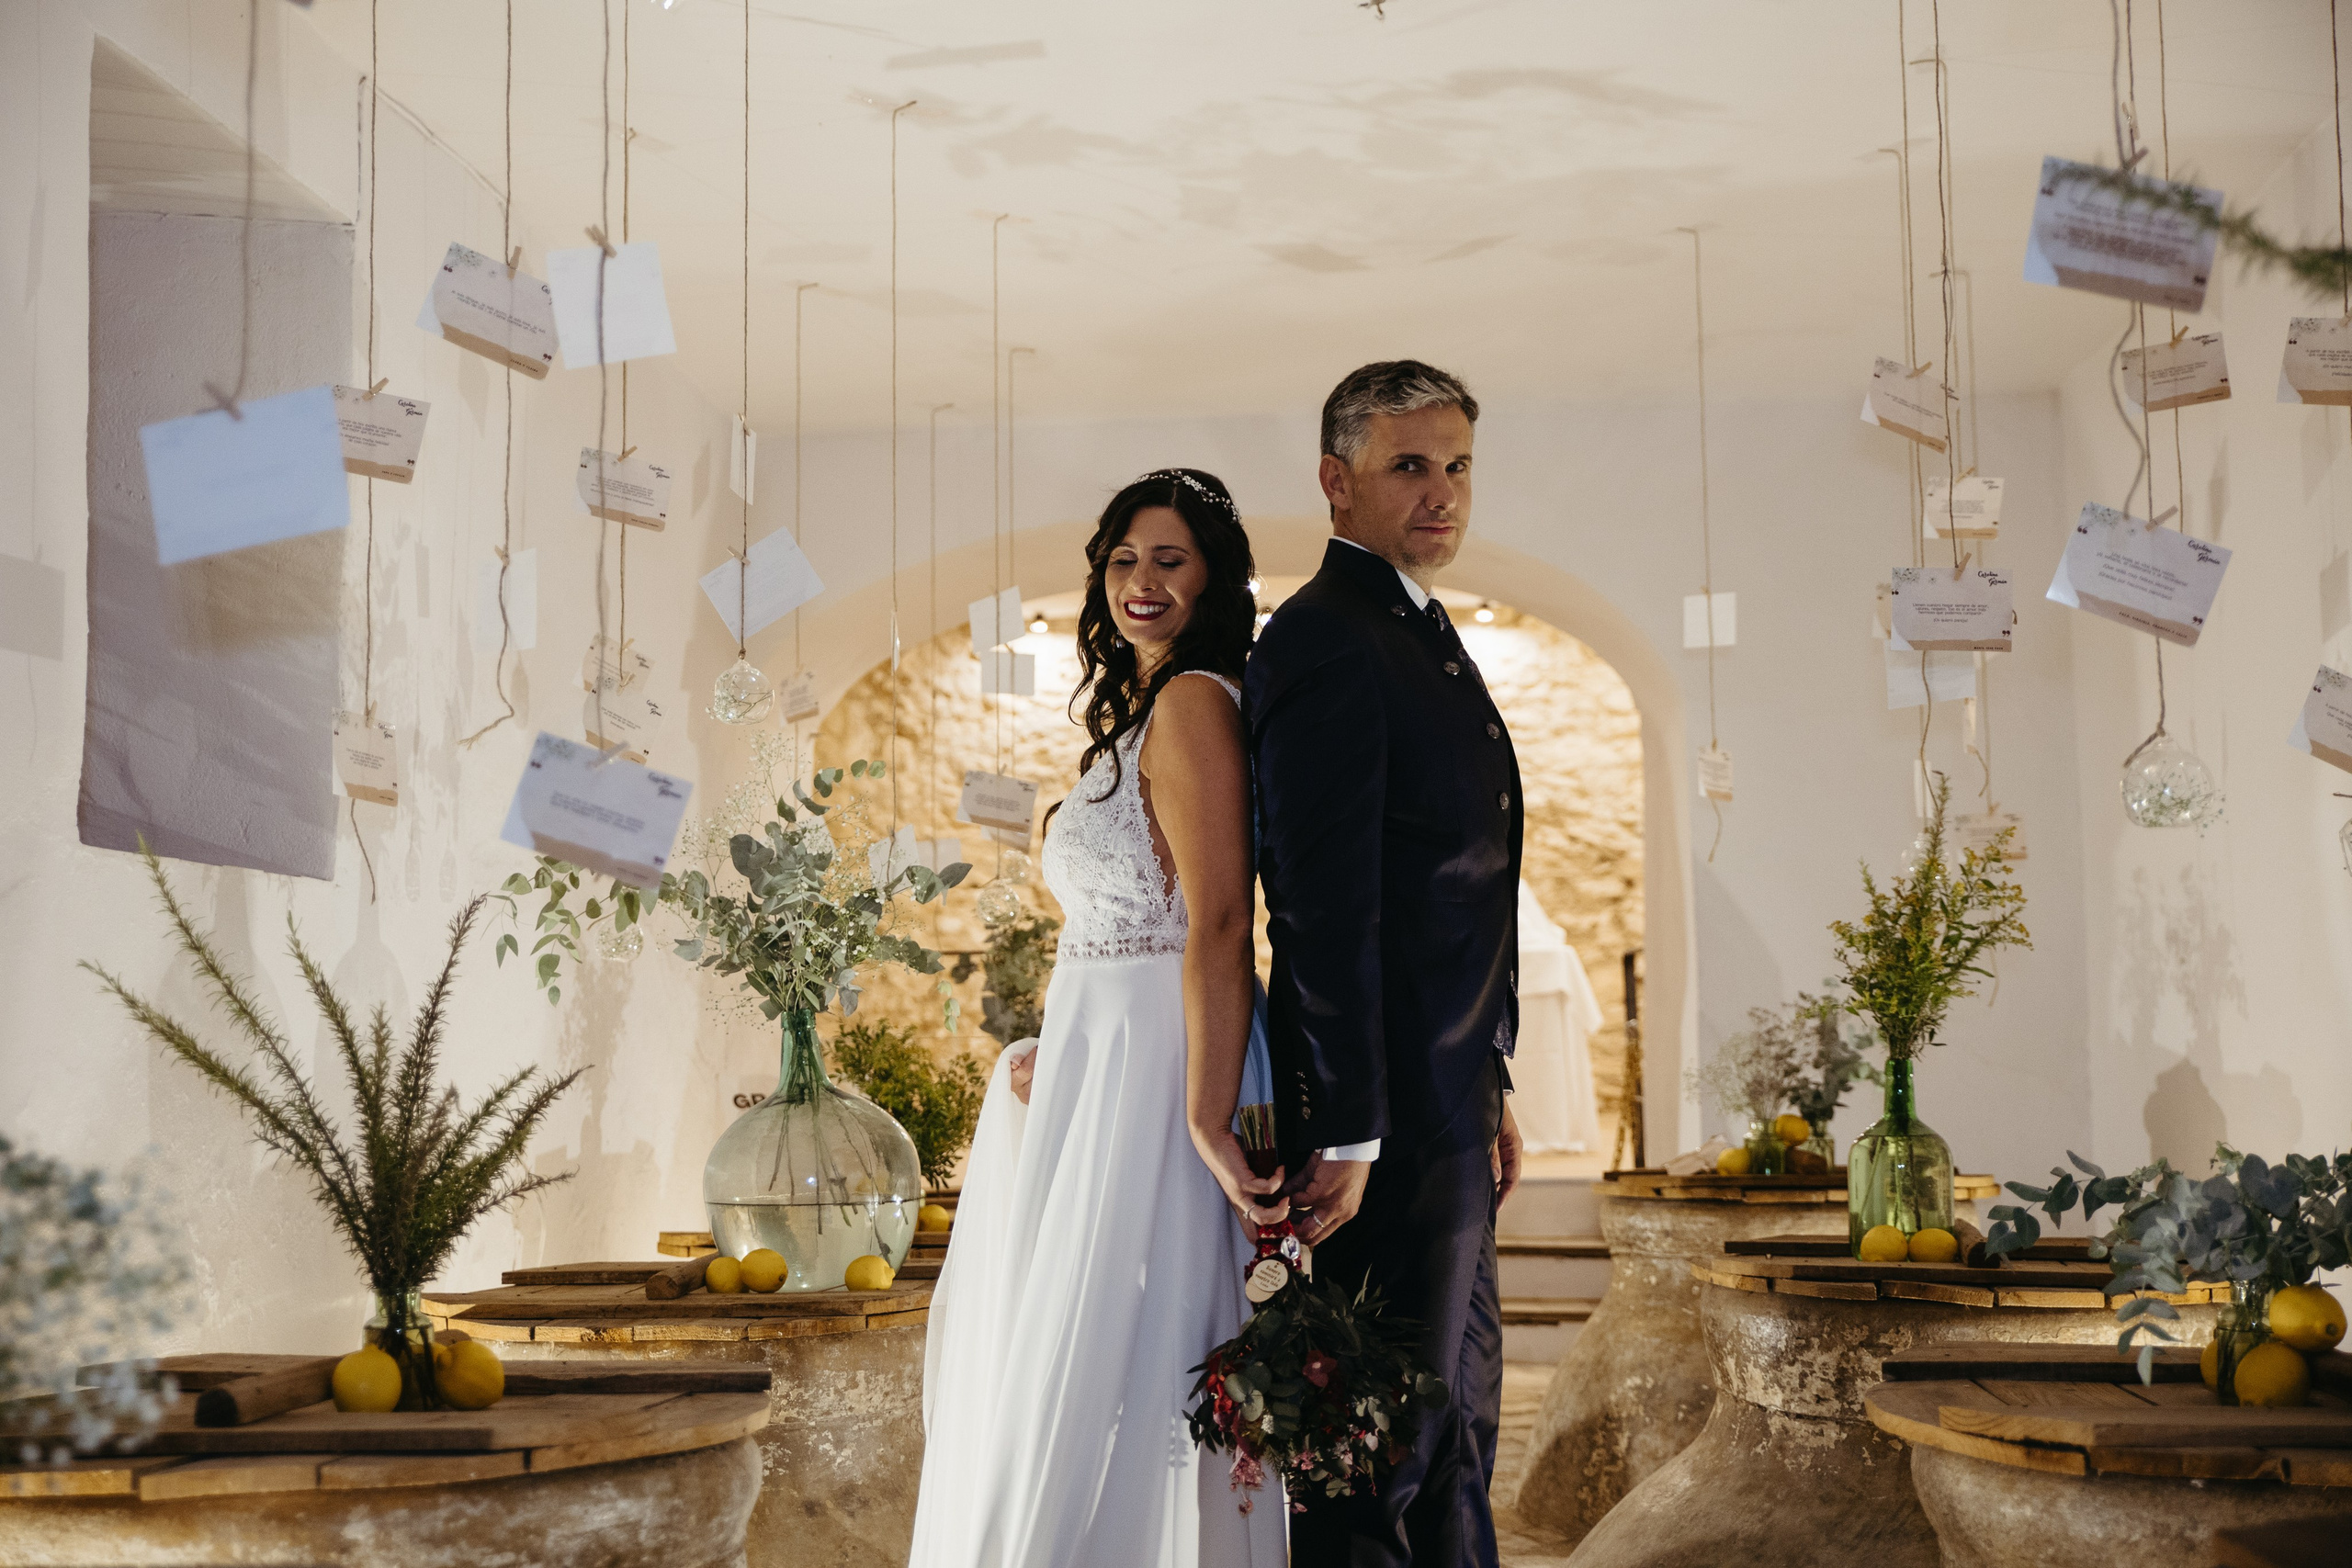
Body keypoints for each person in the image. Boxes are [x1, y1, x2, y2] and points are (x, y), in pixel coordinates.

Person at [910, 468, 1290, 1568]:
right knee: (1097, 1338)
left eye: (1169, 559)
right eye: (1124, 560)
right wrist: (1060, 1050)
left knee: (1147, 1325)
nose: (1141, 580)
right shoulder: (1145, 708)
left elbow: (1219, 921)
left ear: (1211, 577)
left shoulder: (1192, 702)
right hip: (1107, 1057)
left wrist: (1207, 1116)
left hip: (1170, 1065)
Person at [1245, 360, 1524, 1568]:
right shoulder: (1326, 639)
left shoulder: (1419, 624)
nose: (1442, 492)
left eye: (1457, 465)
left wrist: (1495, 1077)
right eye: (1410, 464)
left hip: (1450, 1093)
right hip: (1380, 1123)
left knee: (1458, 1423)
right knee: (1375, 1453)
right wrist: (1349, 1129)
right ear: (1335, 481)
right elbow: (1318, 905)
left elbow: (1458, 887)